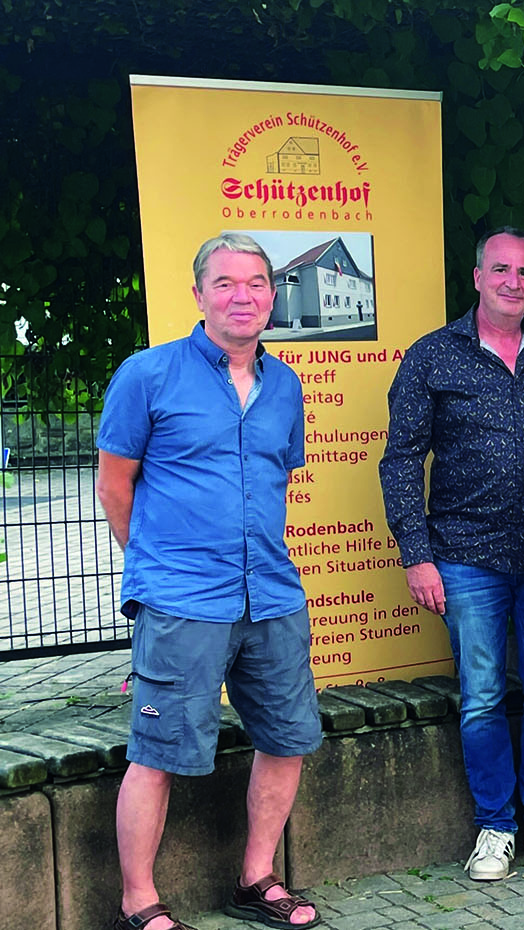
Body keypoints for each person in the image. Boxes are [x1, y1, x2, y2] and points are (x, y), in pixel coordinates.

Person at [96, 234, 321, 930]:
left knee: (288, 739)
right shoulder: (148, 374)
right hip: (183, 599)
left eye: (256, 282)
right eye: (225, 283)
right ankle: (138, 902)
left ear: (271, 296)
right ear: (198, 295)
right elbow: (114, 486)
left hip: (273, 595)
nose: (243, 295)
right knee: (157, 753)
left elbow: (278, 475)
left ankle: (256, 879)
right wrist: (157, 572)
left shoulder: (285, 385)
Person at [380, 227, 524, 881]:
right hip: (464, 558)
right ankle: (496, 827)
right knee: (479, 698)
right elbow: (400, 459)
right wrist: (416, 554)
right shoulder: (432, 356)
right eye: (500, 270)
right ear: (476, 278)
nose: (512, 282)